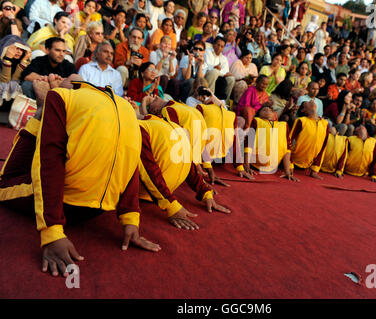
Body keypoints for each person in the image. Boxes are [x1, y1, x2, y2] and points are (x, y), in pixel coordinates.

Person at [0, 77, 160, 277]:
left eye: (62, 79)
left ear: (75, 86)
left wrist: (52, 232)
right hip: (98, 210)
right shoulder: (126, 107)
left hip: (64, 204)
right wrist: (131, 220)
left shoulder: (62, 96)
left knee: (3, 183)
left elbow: (49, 160)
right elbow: (130, 163)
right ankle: (43, 112)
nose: (56, 80)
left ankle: (40, 113)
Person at [136, 95, 231, 230]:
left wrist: (205, 192)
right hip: (152, 194)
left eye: (154, 97)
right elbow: (148, 169)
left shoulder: (171, 123)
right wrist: (171, 205)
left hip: (164, 192)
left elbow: (188, 161)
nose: (154, 97)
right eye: (150, 100)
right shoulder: (142, 127)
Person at [244, 105, 297, 180]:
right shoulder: (257, 121)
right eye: (264, 110)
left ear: (274, 115)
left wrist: (287, 171)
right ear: (259, 114)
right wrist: (246, 166)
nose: (268, 110)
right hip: (256, 165)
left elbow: (287, 149)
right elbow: (248, 143)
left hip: (274, 168)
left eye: (271, 110)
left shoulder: (283, 125)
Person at [290, 100, 330, 180]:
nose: (311, 100)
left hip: (309, 164)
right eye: (307, 102)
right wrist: (289, 167)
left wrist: (315, 170)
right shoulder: (301, 121)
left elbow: (323, 147)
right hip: (295, 162)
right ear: (303, 110)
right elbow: (288, 142)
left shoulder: (325, 123)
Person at [0, 35, 31, 106]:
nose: (19, 52)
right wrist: (7, 60)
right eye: (16, 48)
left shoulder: (23, 62)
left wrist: (23, 61)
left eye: (22, 49)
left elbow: (15, 81)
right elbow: (4, 81)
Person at [204, 36, 235, 102]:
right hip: (206, 75)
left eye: (222, 46)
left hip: (219, 78)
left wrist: (220, 72)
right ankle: (209, 99)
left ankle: (224, 102)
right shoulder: (207, 52)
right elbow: (206, 67)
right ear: (213, 44)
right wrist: (215, 68)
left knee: (231, 79)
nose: (219, 48)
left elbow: (226, 72)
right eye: (218, 45)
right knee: (214, 72)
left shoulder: (224, 58)